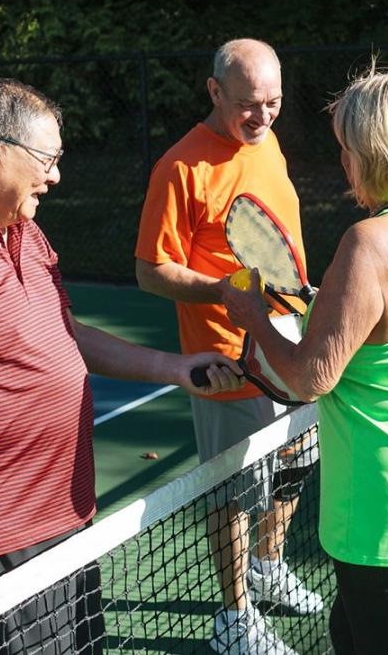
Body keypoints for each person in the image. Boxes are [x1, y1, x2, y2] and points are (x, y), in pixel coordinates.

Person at [0, 78, 244, 655]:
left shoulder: (29, 233)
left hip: (68, 516)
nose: (56, 175)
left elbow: (65, 336)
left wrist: (174, 366)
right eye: (47, 159)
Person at [220, 68, 388, 655]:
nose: (344, 161)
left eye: (348, 147)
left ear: (378, 149)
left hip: (382, 495)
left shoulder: (370, 242)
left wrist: (253, 317)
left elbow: (309, 378)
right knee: (349, 633)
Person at [134, 38, 322, 655]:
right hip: (227, 358)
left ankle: (269, 566)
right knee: (235, 489)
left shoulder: (267, 141)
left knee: (293, 465)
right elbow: (150, 270)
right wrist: (224, 291)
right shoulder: (180, 167)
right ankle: (235, 613)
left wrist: (296, 298)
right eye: (247, 105)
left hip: (291, 340)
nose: (262, 117)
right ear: (214, 92)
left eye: (273, 104)